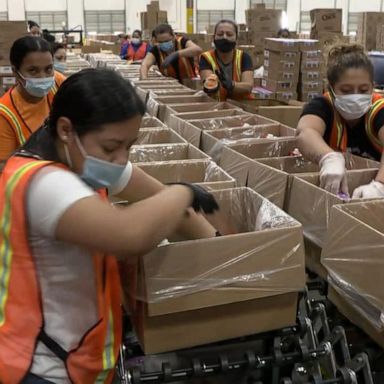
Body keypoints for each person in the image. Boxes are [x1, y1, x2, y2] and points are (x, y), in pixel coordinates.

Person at [0, 68, 220, 383]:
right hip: (39, 369)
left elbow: (162, 204)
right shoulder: (40, 183)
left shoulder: (87, 160)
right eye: (111, 147)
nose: (120, 159)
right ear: (66, 129)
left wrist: (217, 244)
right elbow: (131, 234)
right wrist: (184, 191)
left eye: (129, 146)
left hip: (80, 361)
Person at [297, 44, 384, 199]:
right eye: (346, 90)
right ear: (330, 88)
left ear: (373, 87)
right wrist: (329, 158)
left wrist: (380, 186)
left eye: (364, 90)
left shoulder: (379, 109)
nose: (355, 96)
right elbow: (306, 131)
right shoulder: (323, 106)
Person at [0, 36, 66, 165]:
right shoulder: (5, 114)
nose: (43, 77)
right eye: (33, 71)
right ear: (15, 72)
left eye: (48, 69)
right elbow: (4, 167)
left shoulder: (58, 83)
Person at [199, 20, 253, 101]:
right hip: (217, 107)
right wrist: (211, 85)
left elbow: (248, 87)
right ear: (214, 37)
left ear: (236, 38)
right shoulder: (205, 58)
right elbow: (208, 83)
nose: (224, 37)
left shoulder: (244, 57)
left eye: (229, 34)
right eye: (220, 34)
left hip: (241, 107)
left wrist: (231, 85)